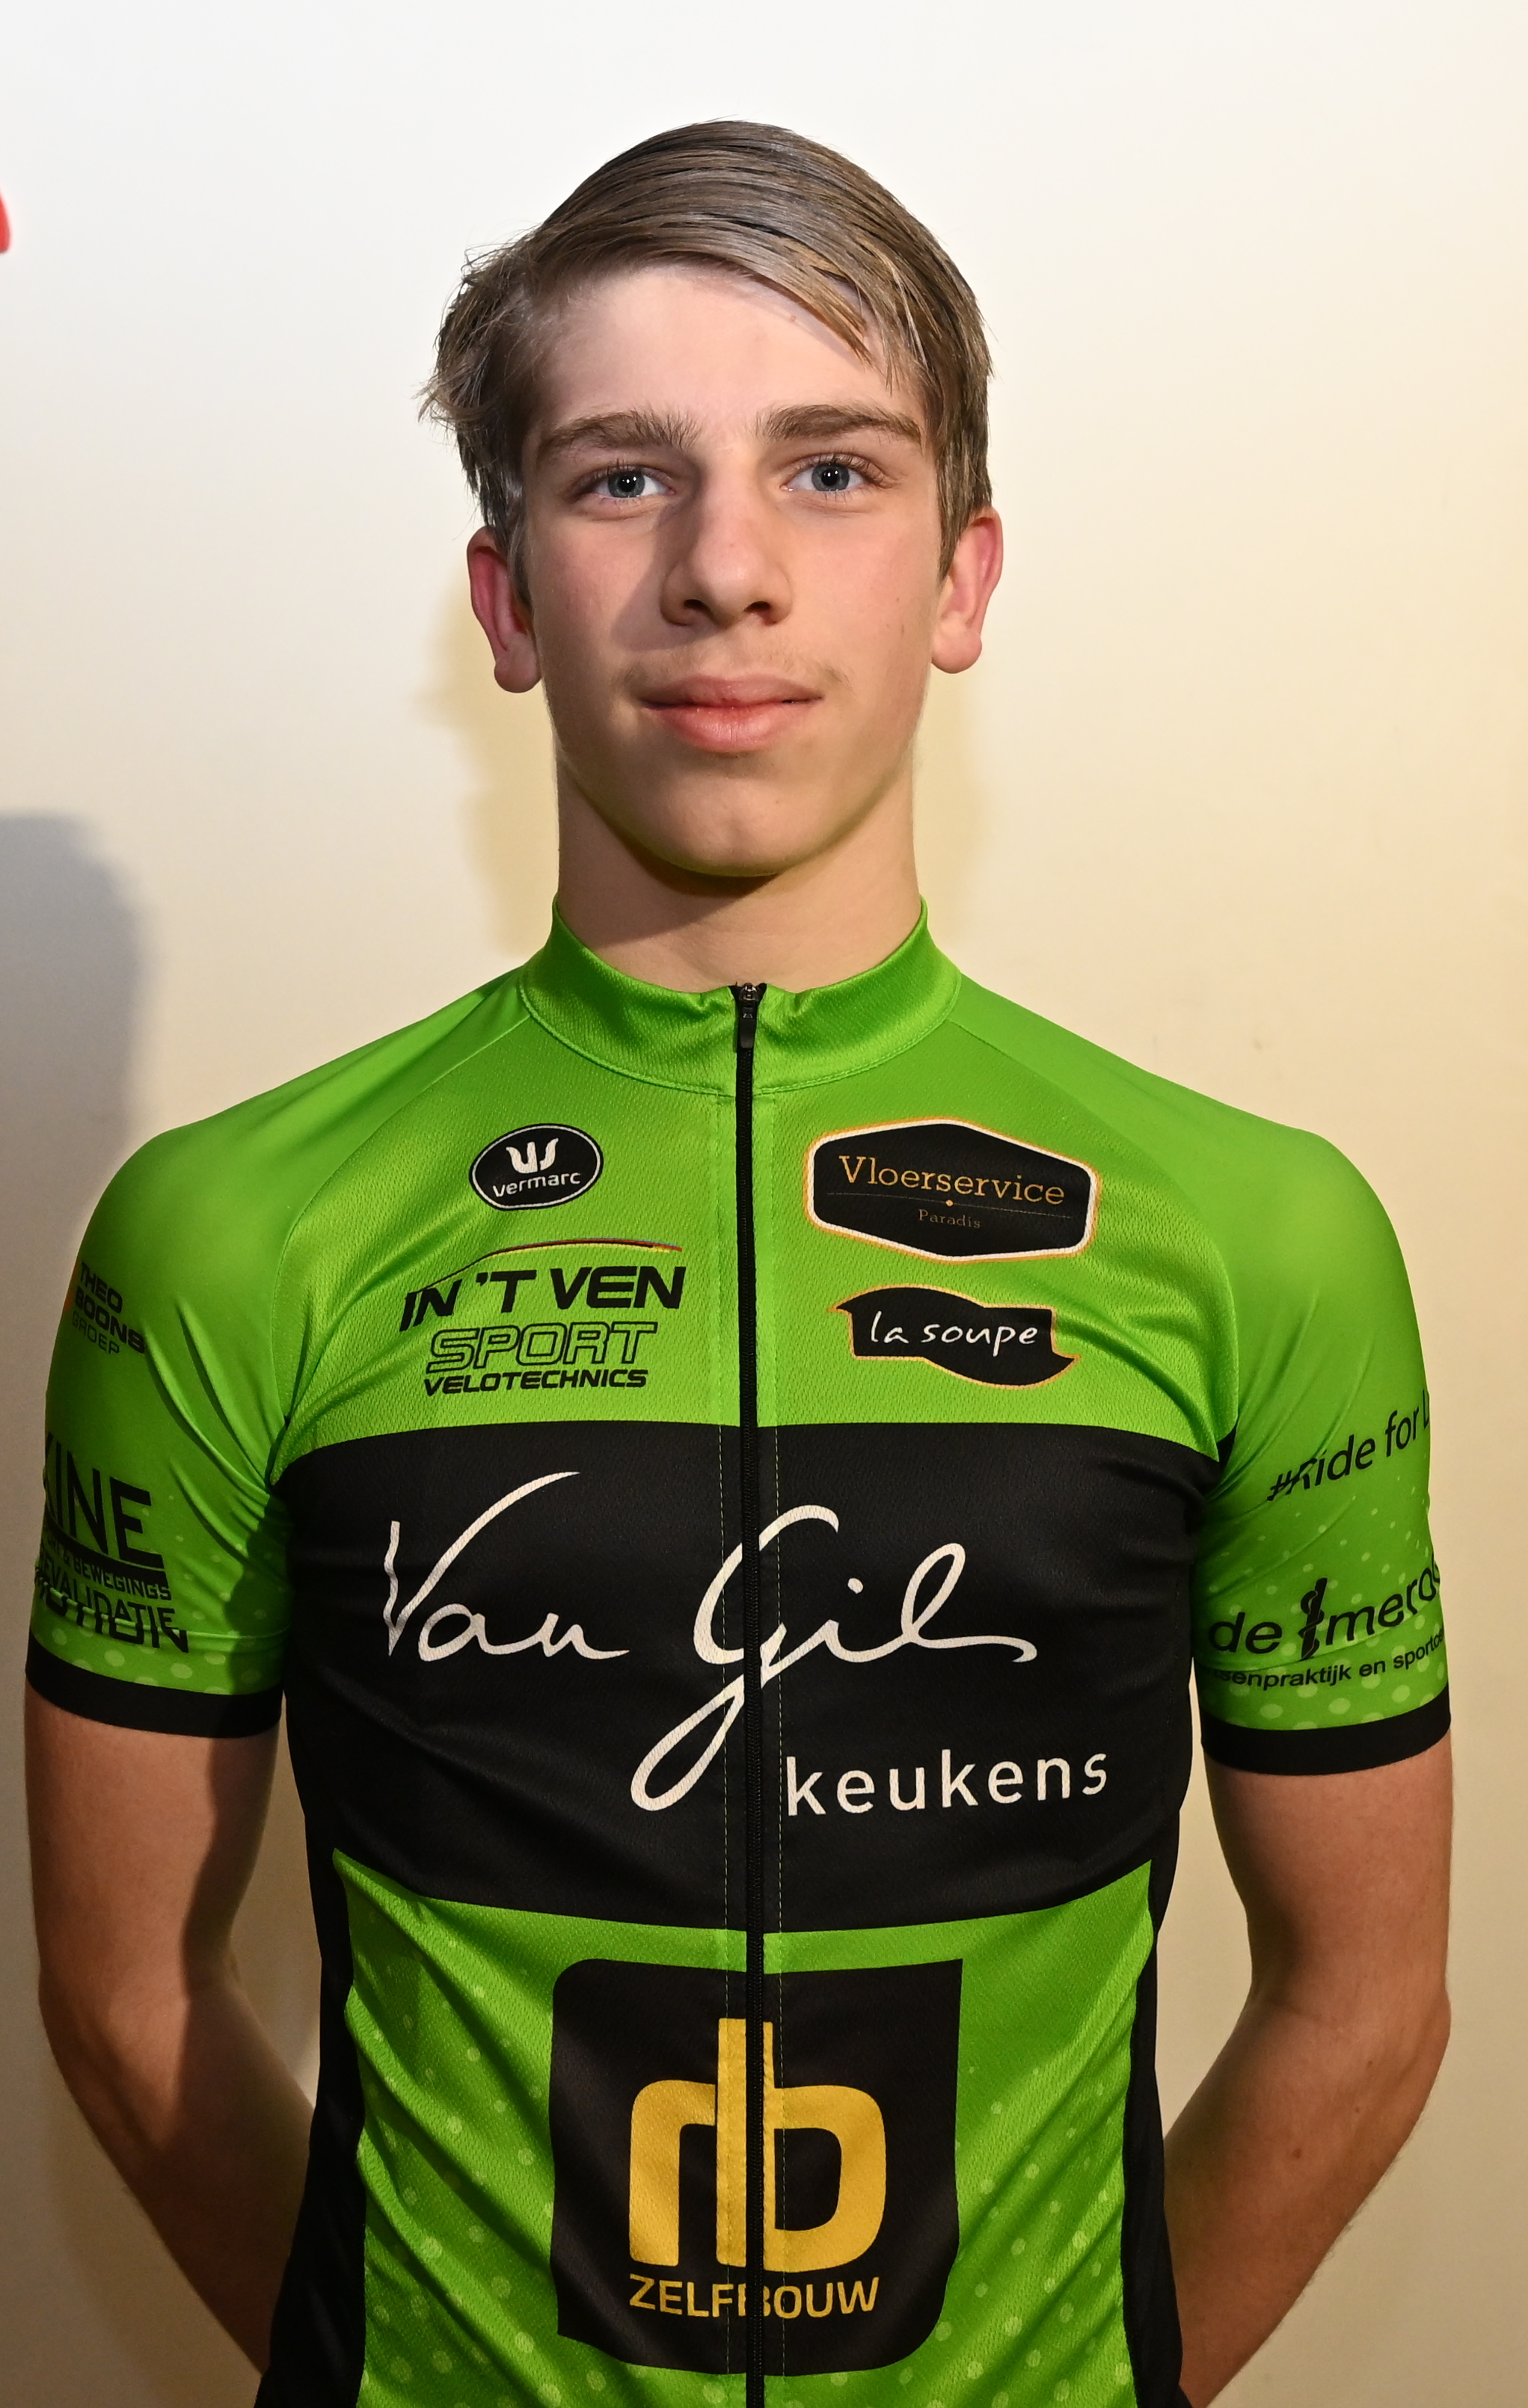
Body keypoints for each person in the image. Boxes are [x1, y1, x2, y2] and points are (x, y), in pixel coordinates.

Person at [25, 120, 1451, 2408]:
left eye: (830, 470)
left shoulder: (1258, 1235)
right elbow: (120, 1995)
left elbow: (1362, 2002)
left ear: (961, 577)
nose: (723, 571)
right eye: (620, 478)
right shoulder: (230, 1231)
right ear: (505, 602)